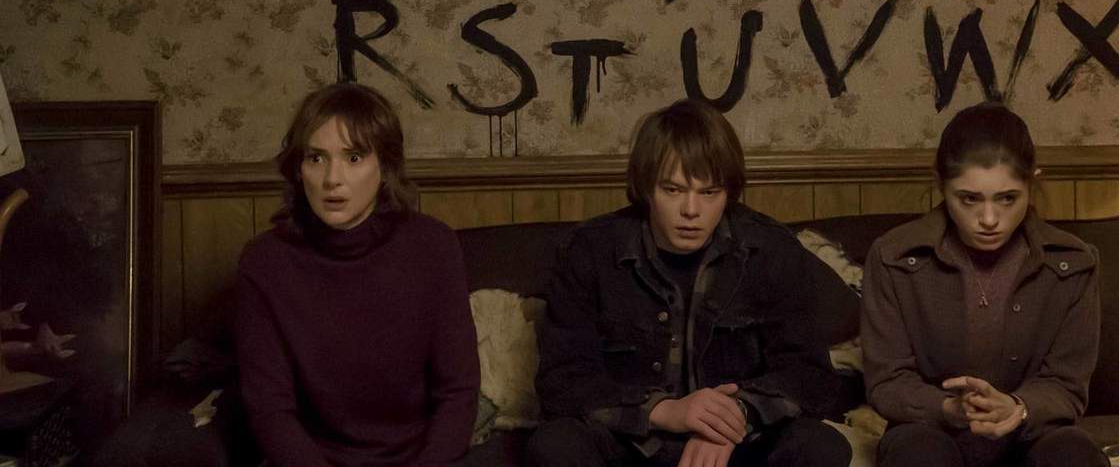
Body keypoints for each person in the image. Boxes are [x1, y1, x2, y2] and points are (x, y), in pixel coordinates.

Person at [528, 98, 853, 467]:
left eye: (709, 192)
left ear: (728, 193)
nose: (691, 211)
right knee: (555, 445)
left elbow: (810, 377)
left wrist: (736, 415)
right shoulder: (589, 250)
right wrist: (662, 410)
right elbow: (562, 381)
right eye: (673, 190)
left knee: (821, 446)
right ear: (647, 188)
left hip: (737, 445)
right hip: (632, 442)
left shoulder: (771, 249)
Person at [235, 82, 479, 467]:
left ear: (385, 167)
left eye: (353, 157)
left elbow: (458, 393)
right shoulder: (265, 261)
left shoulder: (433, 246)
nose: (332, 178)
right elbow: (270, 409)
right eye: (316, 158)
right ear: (298, 169)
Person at [861, 101, 1108, 467]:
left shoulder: (1073, 262)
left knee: (1072, 454)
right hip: (929, 431)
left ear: (1032, 183)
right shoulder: (892, 256)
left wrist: (1018, 408)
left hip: (1032, 431)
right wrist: (947, 408)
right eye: (969, 199)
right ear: (940, 185)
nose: (989, 219)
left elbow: (1067, 384)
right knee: (918, 456)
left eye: (1007, 198)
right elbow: (887, 380)